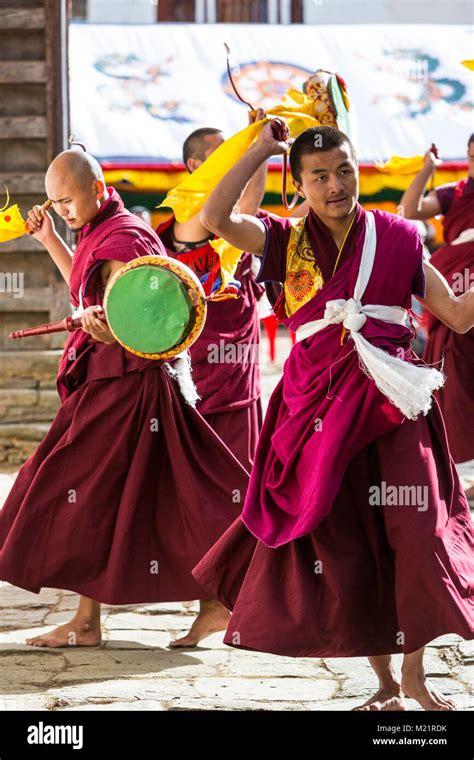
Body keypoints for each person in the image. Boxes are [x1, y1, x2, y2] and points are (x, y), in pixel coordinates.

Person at [191, 121, 474, 711]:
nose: (336, 184)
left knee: (418, 533)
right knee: (349, 541)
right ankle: (386, 683)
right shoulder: (284, 242)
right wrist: (258, 151)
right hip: (316, 408)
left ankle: (417, 672)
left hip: (395, 403)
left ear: (356, 169)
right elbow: (216, 219)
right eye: (319, 176)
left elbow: (457, 313)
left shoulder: (398, 237)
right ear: (299, 184)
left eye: (344, 170)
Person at [0, 149, 249, 649]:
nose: (63, 212)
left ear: (96, 189)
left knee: (80, 487)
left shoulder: (127, 236)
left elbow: (145, 318)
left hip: (128, 385)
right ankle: (107, 617)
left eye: (66, 202)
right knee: (128, 493)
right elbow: (91, 296)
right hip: (109, 380)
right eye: (55, 204)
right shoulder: (100, 228)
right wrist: (49, 237)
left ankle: (193, 608)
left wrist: (111, 333)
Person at [156, 113, 266, 476]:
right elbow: (245, 209)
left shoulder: (228, 214)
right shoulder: (190, 213)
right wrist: (260, 150)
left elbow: (251, 210)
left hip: (237, 360)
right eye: (225, 154)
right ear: (195, 165)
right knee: (207, 468)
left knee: (243, 464)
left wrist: (259, 148)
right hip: (204, 358)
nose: (234, 160)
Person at [400, 136, 474, 484]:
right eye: (473, 158)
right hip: (459, 276)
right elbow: (408, 210)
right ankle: (463, 463)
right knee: (452, 354)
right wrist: (427, 168)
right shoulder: (456, 193)